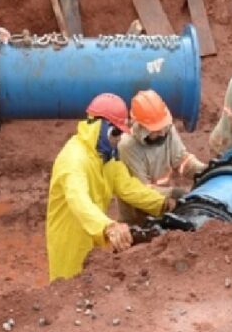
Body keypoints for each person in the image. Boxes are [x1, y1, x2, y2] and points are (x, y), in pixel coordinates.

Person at [46, 93, 175, 282]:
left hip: (94, 237)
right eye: (117, 133)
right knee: (65, 293)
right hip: (70, 242)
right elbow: (79, 201)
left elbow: (128, 187)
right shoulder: (74, 159)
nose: (119, 139)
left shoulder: (106, 158)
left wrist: (163, 203)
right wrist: (109, 227)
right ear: (104, 128)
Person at [117, 90, 206, 225]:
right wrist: (172, 193)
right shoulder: (128, 146)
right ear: (141, 126)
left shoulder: (167, 129)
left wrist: (205, 171)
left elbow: (182, 160)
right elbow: (141, 191)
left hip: (162, 206)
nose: (162, 132)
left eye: (163, 127)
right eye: (156, 130)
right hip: (137, 215)